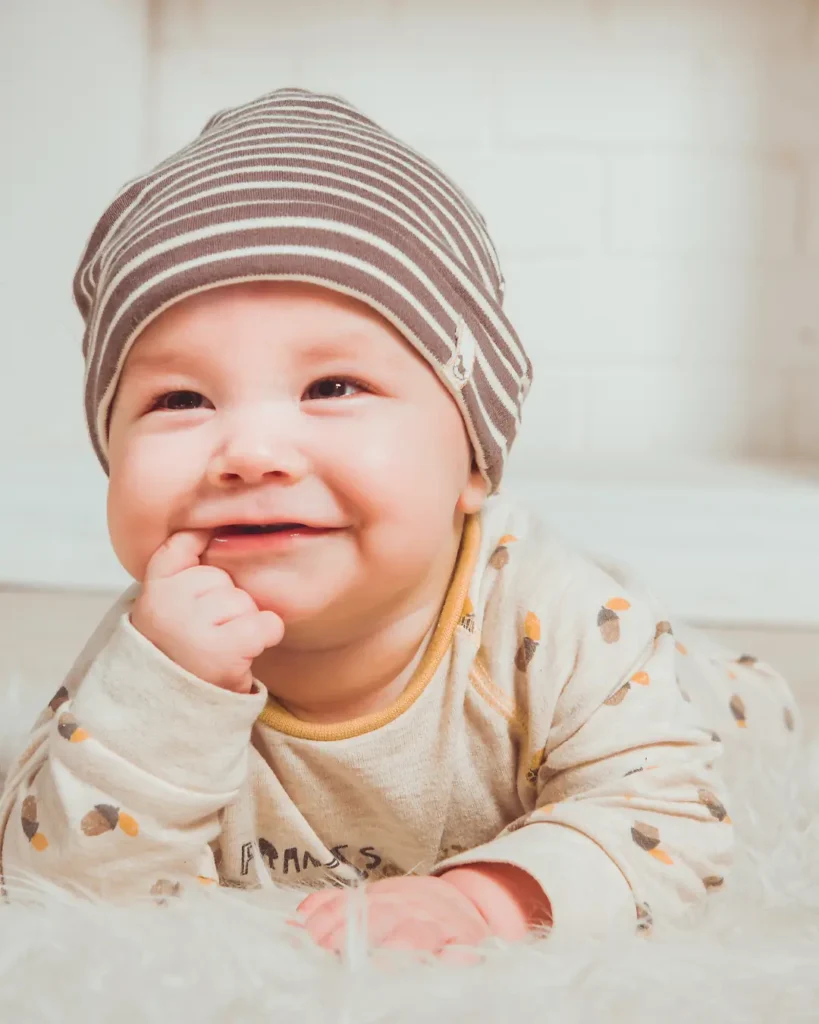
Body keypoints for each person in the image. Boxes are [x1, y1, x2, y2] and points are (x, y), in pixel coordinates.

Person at [0, 88, 798, 956]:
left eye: (331, 388)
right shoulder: (150, 657)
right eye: (180, 398)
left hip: (665, 688)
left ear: (474, 463)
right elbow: (55, 893)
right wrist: (163, 700)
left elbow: (668, 820)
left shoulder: (553, 621)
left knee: (701, 707)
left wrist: (484, 901)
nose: (251, 451)